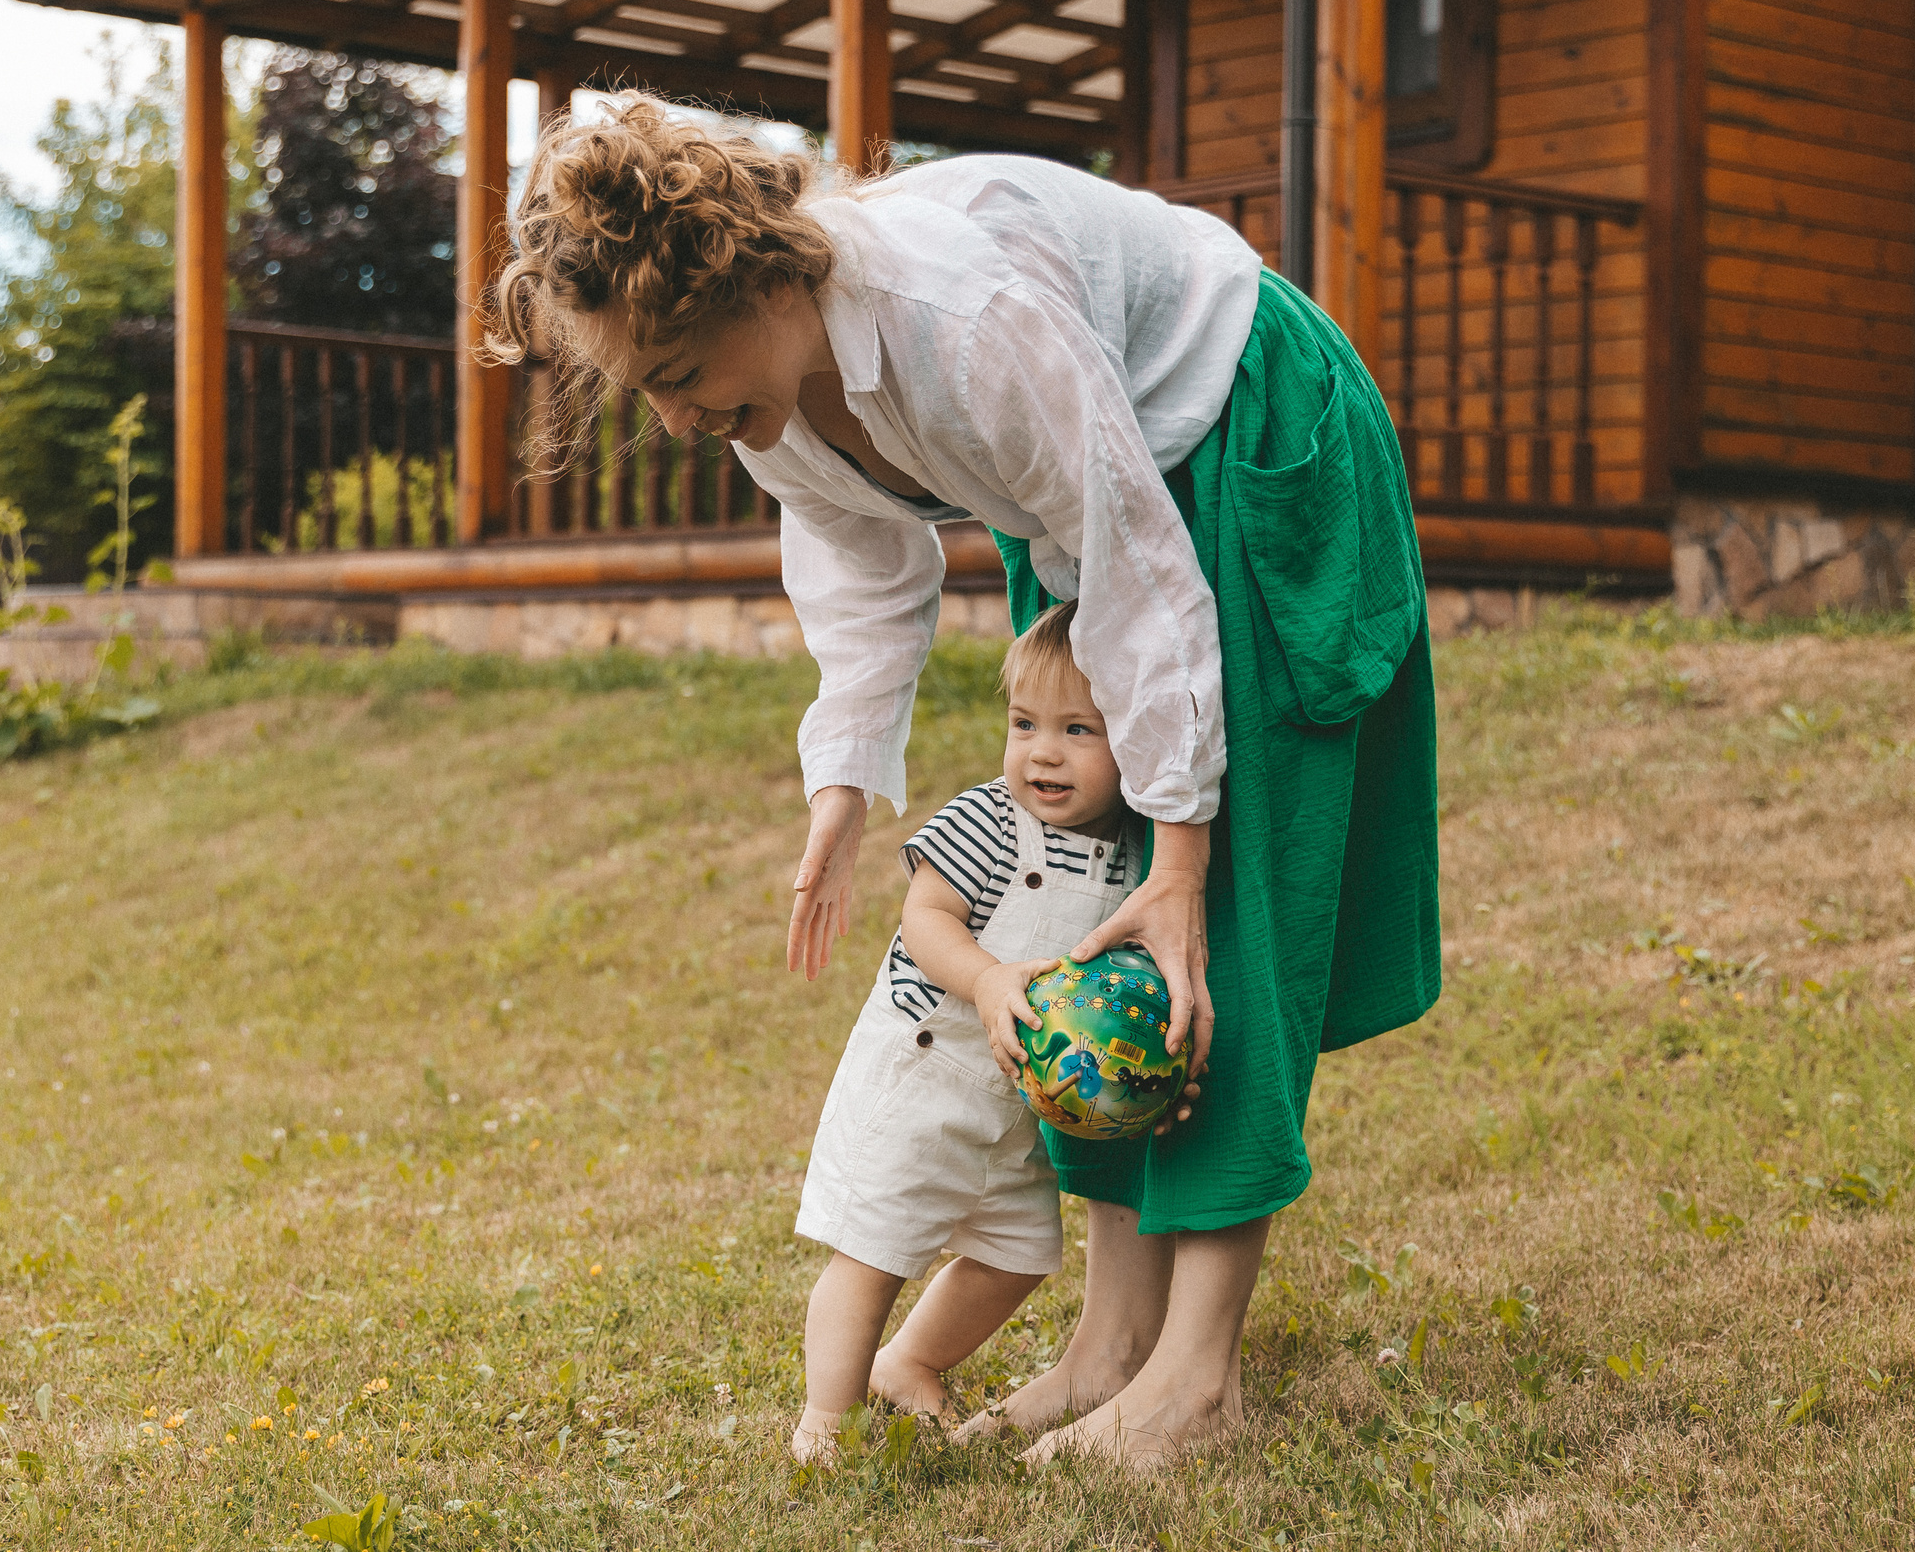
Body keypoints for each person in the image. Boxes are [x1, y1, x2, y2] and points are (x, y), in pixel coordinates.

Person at [486, 97, 1442, 1467]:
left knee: (1216, 915)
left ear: (772, 279)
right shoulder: (771, 398)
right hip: (1096, 502)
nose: (680, 418)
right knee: (1093, 912)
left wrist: (1183, 860)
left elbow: (1141, 565)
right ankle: (1113, 1341)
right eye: (648, 390)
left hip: (1237, 422)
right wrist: (842, 795)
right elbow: (864, 575)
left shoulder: (963, 322)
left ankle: (1196, 1374)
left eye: (684, 372)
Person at [790, 601, 1176, 1463]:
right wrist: (987, 976)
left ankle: (911, 1361)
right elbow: (925, 917)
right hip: (926, 1080)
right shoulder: (990, 819)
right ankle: (825, 1416)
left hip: (1018, 1115)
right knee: (874, 1250)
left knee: (1018, 1255)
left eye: (1079, 729)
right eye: (1024, 723)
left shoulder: (1135, 851)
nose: (1044, 751)